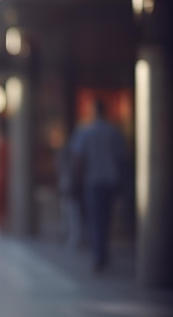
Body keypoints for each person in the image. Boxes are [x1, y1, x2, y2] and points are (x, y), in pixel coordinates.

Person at [70, 98, 129, 274]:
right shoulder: (114, 132)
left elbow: (78, 159)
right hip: (111, 181)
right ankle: (102, 254)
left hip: (93, 182)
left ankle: (99, 256)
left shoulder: (86, 133)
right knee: (106, 219)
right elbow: (123, 158)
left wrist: (77, 180)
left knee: (96, 220)